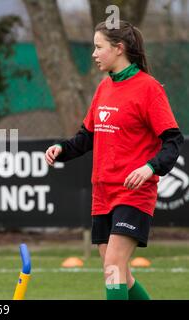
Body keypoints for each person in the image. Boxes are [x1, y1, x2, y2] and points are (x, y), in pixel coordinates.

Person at [45, 20, 184, 300]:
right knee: (120, 273)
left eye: (99, 47)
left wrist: (149, 168)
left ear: (119, 49)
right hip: (102, 192)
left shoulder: (149, 89)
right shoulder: (104, 88)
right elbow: (87, 138)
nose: (94, 54)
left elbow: (173, 141)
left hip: (133, 193)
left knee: (113, 267)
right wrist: (62, 149)